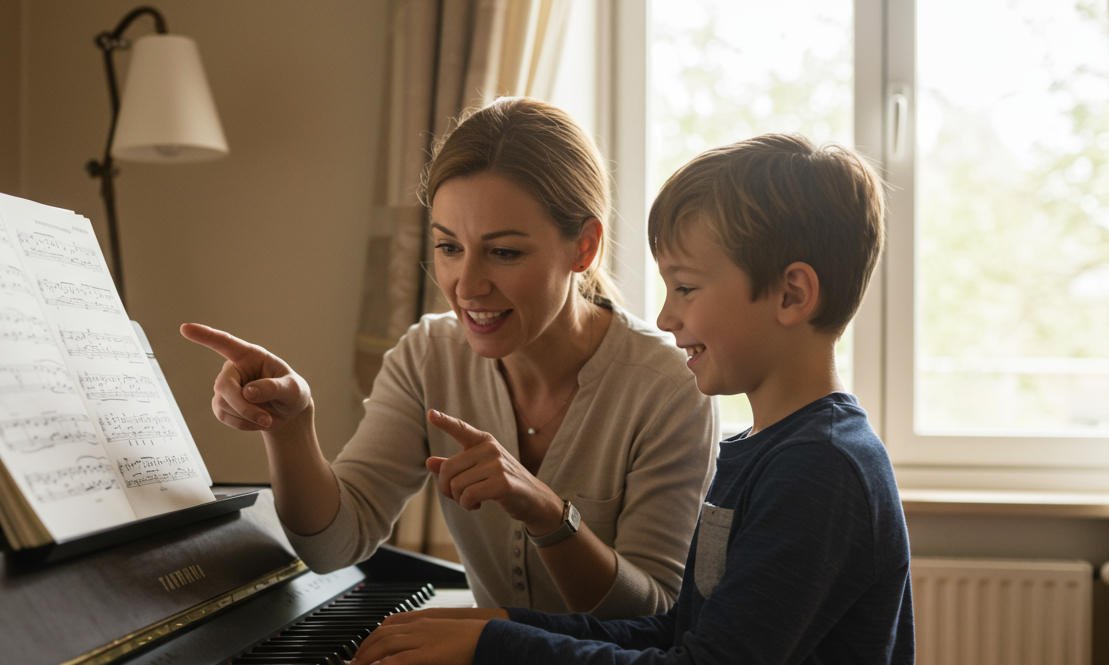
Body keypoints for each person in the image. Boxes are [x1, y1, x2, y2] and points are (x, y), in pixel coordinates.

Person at [349, 133, 916, 665]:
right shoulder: (759, 451)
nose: (666, 317)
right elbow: (673, 638)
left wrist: (492, 650)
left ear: (791, 294)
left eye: (686, 288)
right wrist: (496, 624)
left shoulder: (824, 471)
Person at [181, 97, 717, 622]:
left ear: (584, 247)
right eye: (448, 247)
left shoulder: (667, 386)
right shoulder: (427, 356)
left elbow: (653, 619)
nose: (467, 285)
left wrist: (549, 516)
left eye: (504, 252)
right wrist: (291, 429)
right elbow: (333, 548)